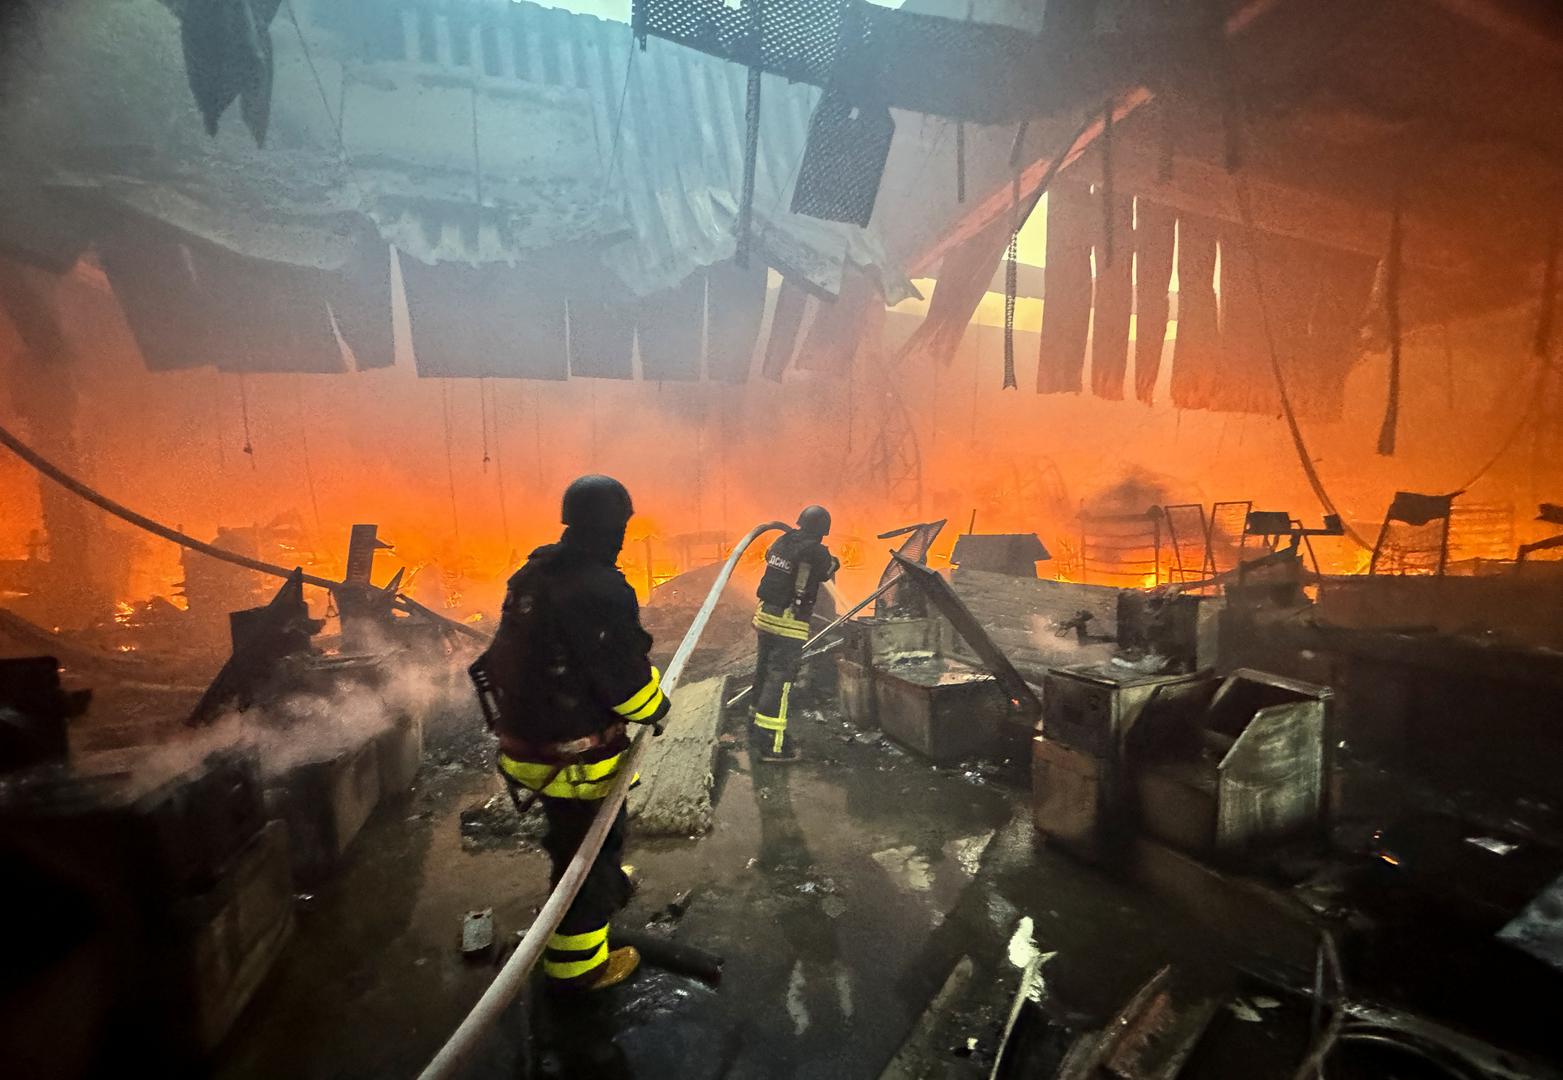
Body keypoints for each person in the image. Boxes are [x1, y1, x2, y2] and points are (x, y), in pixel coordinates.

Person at [472, 475, 670, 992]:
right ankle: (579, 965)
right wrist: (656, 706)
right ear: (614, 526)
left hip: (525, 738)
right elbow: (623, 678)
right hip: (573, 755)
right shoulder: (601, 588)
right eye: (621, 526)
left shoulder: (533, 572)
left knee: (573, 837)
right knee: (588, 851)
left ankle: (600, 888)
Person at [750, 505, 838, 763]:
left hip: (765, 614)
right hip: (788, 621)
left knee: (764, 671)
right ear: (822, 531)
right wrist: (835, 562)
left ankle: (754, 725)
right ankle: (773, 744)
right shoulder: (817, 550)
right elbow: (826, 571)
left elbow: (770, 557)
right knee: (781, 680)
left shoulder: (783, 539)